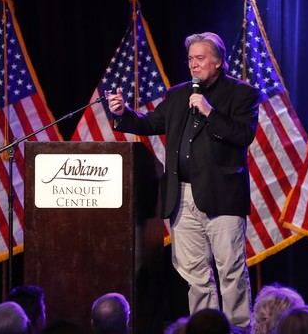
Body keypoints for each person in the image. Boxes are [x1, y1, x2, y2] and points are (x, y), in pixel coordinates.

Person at [106, 31, 260, 329]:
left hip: (222, 197)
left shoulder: (242, 93)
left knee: (230, 270)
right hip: (182, 196)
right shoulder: (178, 94)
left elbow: (243, 135)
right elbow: (149, 123)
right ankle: (205, 328)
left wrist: (208, 111)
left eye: (200, 59)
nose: (193, 65)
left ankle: (238, 328)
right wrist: (122, 113)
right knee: (194, 272)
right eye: (190, 59)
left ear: (218, 62)